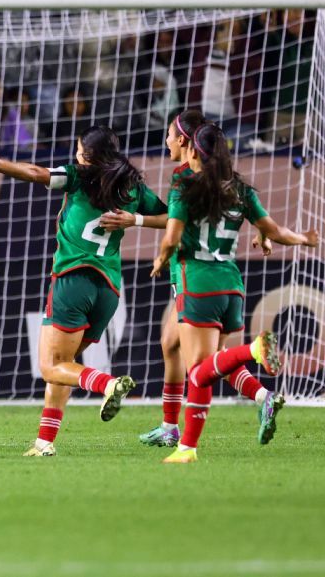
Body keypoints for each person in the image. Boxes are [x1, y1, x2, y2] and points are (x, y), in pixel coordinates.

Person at [0, 126, 164, 456]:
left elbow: (36, 172)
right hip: (108, 290)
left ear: (88, 156)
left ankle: (107, 383)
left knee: (50, 366)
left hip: (73, 281)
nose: (75, 151)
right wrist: (136, 220)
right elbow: (173, 218)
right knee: (65, 365)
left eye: (79, 147)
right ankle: (44, 443)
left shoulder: (80, 176)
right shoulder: (132, 186)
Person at [98, 111, 279, 448]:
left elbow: (173, 221)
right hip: (202, 274)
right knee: (171, 345)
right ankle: (171, 425)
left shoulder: (186, 175)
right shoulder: (200, 174)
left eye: (169, 134)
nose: (166, 141)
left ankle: (257, 396)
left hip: (194, 275)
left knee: (207, 363)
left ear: (185, 141)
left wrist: (134, 220)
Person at [150, 123, 318, 463]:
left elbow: (171, 238)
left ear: (193, 151)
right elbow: (272, 231)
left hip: (197, 284)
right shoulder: (240, 189)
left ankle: (188, 447)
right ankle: (262, 398)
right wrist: (302, 239)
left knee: (198, 371)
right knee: (215, 366)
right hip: (232, 288)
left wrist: (161, 259)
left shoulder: (185, 187)